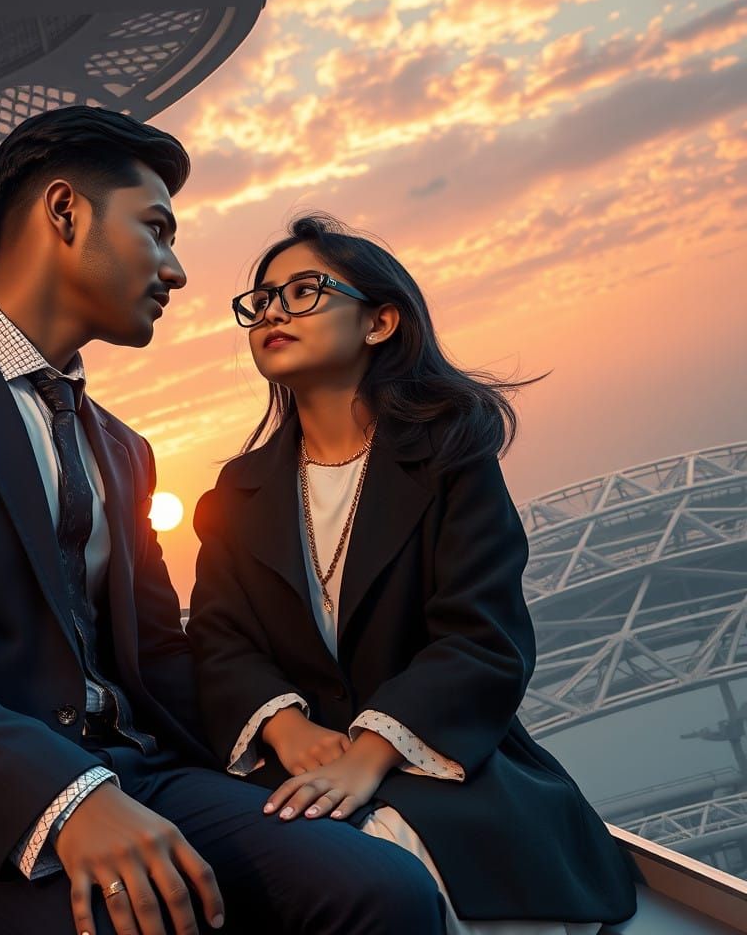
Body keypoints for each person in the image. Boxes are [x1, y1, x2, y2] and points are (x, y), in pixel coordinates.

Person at [0, 110, 446, 935]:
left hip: (142, 773)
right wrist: (70, 798)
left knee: (386, 890)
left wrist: (286, 725)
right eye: (156, 230)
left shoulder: (125, 449)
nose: (176, 271)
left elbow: (161, 655)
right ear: (66, 211)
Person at [186, 214, 642, 935]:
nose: (271, 310)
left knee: (396, 868)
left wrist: (368, 756)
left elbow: (481, 637)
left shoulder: (450, 462)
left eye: (303, 291)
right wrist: (285, 725)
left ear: (380, 322)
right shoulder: (234, 494)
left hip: (447, 765)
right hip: (296, 771)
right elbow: (218, 638)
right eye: (261, 299)